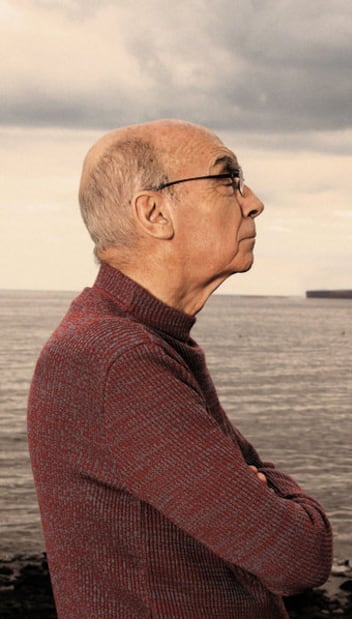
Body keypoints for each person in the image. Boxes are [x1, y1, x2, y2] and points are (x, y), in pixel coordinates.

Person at [27, 119, 332, 618]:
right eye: (228, 178)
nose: (253, 201)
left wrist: (256, 482)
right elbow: (298, 556)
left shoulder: (138, 339)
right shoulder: (118, 358)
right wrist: (269, 492)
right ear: (154, 213)